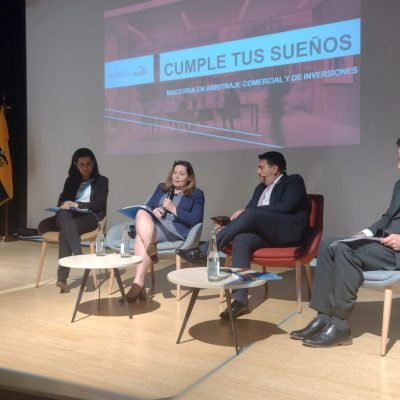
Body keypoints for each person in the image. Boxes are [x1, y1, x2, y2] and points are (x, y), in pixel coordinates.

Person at [290, 138, 400, 348]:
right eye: (397, 159)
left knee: (344, 250)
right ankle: (323, 317)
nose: (398, 166)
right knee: (328, 244)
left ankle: (340, 324)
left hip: (397, 253)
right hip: (384, 244)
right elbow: (387, 218)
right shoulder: (399, 185)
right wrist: (363, 233)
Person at [177, 151, 310, 319]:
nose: (257, 171)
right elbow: (247, 217)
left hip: (287, 232)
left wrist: (248, 213)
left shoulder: (293, 181)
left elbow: (285, 207)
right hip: (266, 235)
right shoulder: (260, 188)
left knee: (250, 213)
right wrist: (227, 225)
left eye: (261, 167)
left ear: (275, 169)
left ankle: (205, 251)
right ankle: (240, 301)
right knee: (241, 240)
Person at [123, 160, 205, 302]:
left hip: (173, 228)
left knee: (139, 237)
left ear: (189, 178)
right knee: (141, 213)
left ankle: (138, 283)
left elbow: (196, 219)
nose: (177, 176)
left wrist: (173, 209)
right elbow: (148, 207)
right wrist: (154, 210)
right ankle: (148, 252)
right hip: (154, 224)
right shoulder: (162, 188)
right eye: (175, 173)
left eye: (181, 174)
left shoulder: (197, 194)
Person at [38, 148, 108, 292]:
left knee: (65, 231)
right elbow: (63, 200)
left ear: (94, 163)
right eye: (81, 164)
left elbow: (99, 204)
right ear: (75, 165)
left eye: (88, 164)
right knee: (63, 215)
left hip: (89, 217)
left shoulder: (102, 181)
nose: (85, 168)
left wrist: (77, 205)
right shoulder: (71, 180)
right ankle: (78, 253)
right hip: (68, 216)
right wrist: (65, 204)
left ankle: (62, 278)